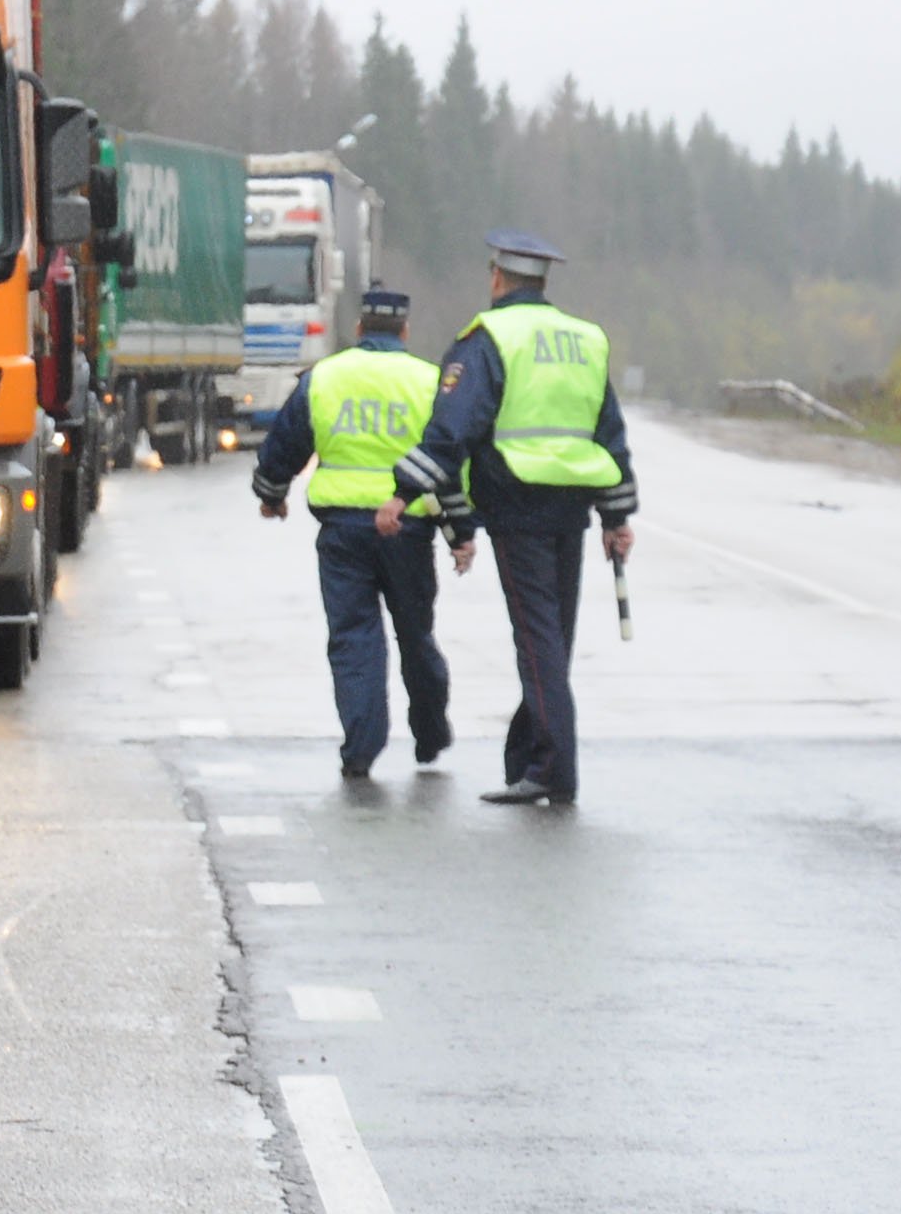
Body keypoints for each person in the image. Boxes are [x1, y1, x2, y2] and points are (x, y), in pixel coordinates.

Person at [378, 231, 637, 805]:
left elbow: (453, 426)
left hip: (517, 503)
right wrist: (618, 516)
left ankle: (551, 770)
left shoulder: (489, 337)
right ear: (542, 282)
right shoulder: (585, 338)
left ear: (497, 278)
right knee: (554, 638)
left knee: (538, 638)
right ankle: (530, 756)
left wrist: (402, 492)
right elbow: (609, 432)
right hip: (574, 506)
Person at [251, 285, 464, 779]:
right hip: (407, 529)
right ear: (405, 332)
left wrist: (271, 492)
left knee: (353, 638)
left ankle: (362, 746)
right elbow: (449, 462)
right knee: (416, 636)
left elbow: (286, 441)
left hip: (343, 531)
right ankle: (430, 731)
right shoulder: (429, 382)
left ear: (361, 329)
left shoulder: (325, 377)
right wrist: (459, 530)